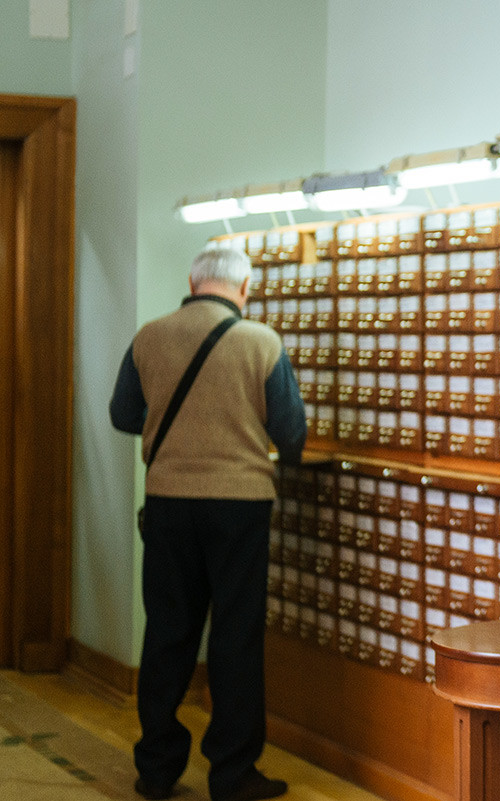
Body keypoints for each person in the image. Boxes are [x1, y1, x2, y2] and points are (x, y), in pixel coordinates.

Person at [110, 245, 307, 801]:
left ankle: (156, 767)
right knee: (235, 636)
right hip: (239, 505)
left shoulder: (148, 336)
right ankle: (232, 772)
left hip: (169, 501)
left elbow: (123, 415)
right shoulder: (260, 341)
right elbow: (291, 434)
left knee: (168, 631)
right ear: (244, 288)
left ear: (192, 281)